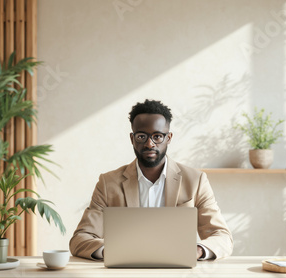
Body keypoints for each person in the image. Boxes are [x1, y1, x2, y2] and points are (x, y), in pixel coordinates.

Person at [69, 99, 233, 260]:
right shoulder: (108, 183)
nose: (149, 144)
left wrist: (196, 251)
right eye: (141, 136)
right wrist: (111, 251)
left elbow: (222, 237)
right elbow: (80, 239)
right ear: (132, 139)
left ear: (168, 138)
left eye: (157, 136)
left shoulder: (195, 181)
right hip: (125, 272)